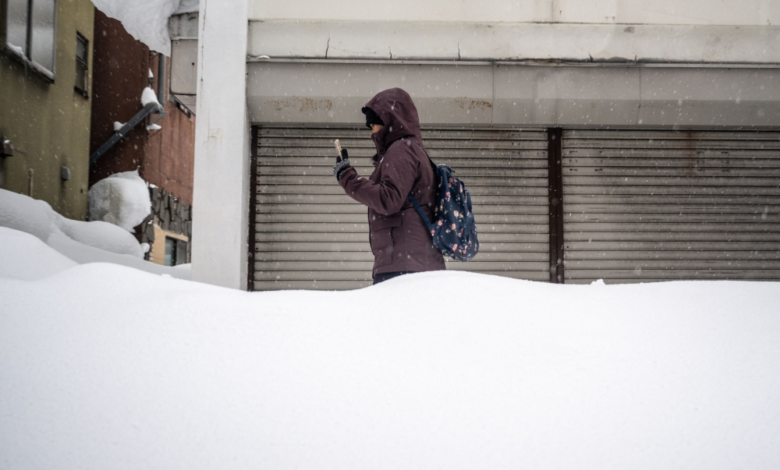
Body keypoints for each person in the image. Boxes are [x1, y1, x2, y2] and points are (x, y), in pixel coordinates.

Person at [333, 88, 446, 285]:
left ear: (390, 122)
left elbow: (389, 199)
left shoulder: (402, 149)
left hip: (404, 265)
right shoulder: (410, 149)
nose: (372, 133)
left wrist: (348, 177)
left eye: (374, 125)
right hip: (413, 262)